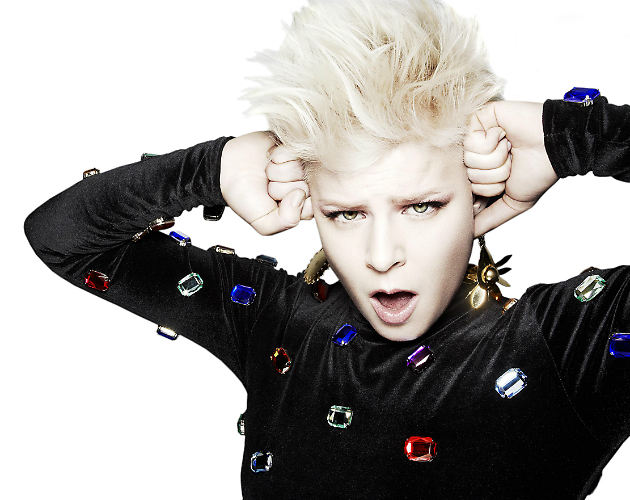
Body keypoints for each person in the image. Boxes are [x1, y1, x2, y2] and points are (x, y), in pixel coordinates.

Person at [22, 0, 629, 498]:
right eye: (346, 213)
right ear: (312, 203)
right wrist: (209, 169)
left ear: (475, 194)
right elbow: (63, 240)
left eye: (422, 206)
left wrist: (569, 137)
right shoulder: (277, 324)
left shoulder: (568, 345)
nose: (382, 255)